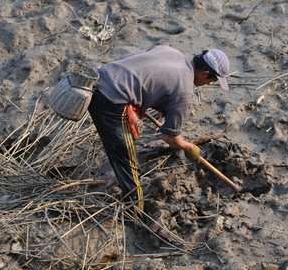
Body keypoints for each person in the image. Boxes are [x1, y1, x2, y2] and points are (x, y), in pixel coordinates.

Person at [87, 46, 230, 211]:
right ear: (204, 74)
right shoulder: (185, 93)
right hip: (110, 100)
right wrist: (188, 147)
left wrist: (140, 101)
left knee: (121, 148)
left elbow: (139, 68)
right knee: (126, 161)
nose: (207, 84)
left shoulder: (172, 52)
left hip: (101, 77)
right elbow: (169, 137)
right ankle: (135, 211)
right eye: (210, 81)